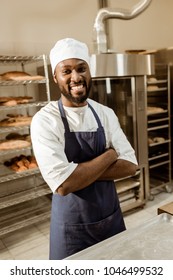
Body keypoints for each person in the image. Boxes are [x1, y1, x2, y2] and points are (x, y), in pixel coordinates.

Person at [31, 38, 138, 260]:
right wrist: (110, 155)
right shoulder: (45, 120)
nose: (76, 77)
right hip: (71, 230)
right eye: (66, 71)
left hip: (111, 219)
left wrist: (77, 173)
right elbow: (62, 185)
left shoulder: (105, 113)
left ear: (90, 73)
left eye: (81, 69)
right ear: (55, 78)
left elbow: (130, 166)